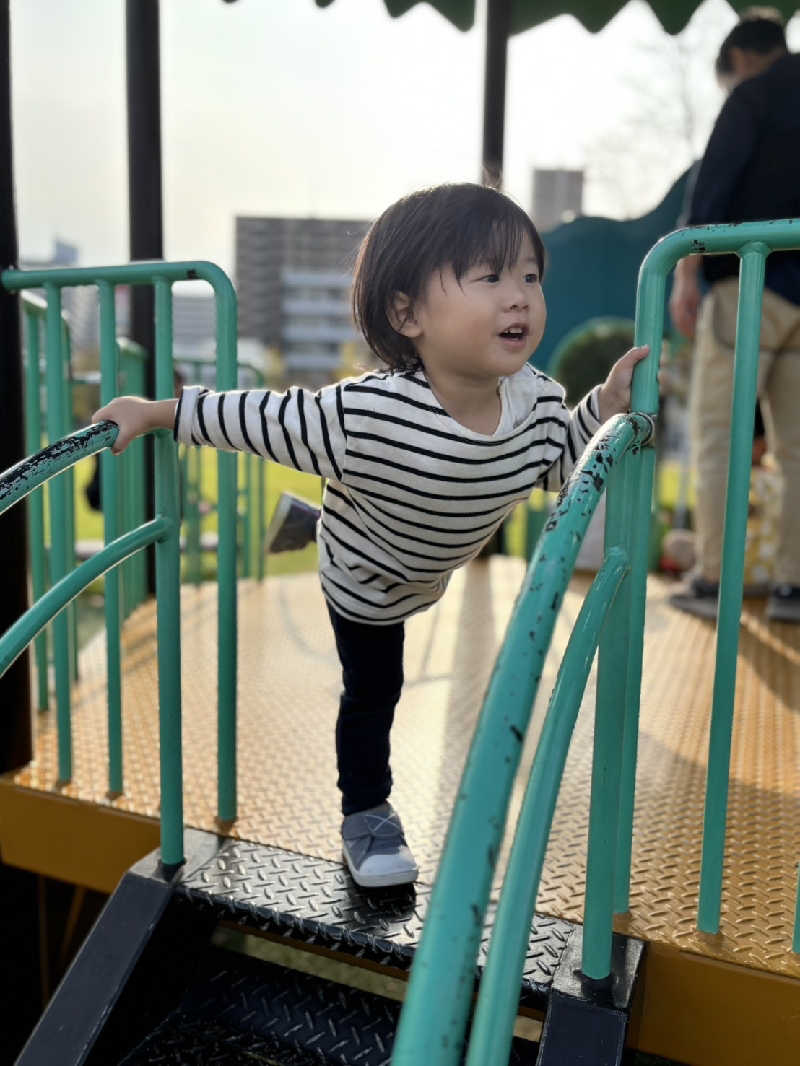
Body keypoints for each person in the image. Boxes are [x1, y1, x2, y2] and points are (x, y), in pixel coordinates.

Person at [93, 182, 648, 888]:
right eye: (490, 277)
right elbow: (260, 417)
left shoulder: (535, 398)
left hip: (428, 558)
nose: (519, 297)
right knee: (374, 690)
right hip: (366, 582)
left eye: (530, 277)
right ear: (407, 313)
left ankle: (312, 517)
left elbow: (557, 459)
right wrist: (156, 411)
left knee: (369, 525)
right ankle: (366, 816)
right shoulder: (364, 413)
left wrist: (603, 406)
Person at [669, 11, 800, 622]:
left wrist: (687, 269)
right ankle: (793, 589)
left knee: (719, 432)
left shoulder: (752, 95)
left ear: (742, 59)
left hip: (749, 284)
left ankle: (716, 578)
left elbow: (714, 187)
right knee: (798, 446)